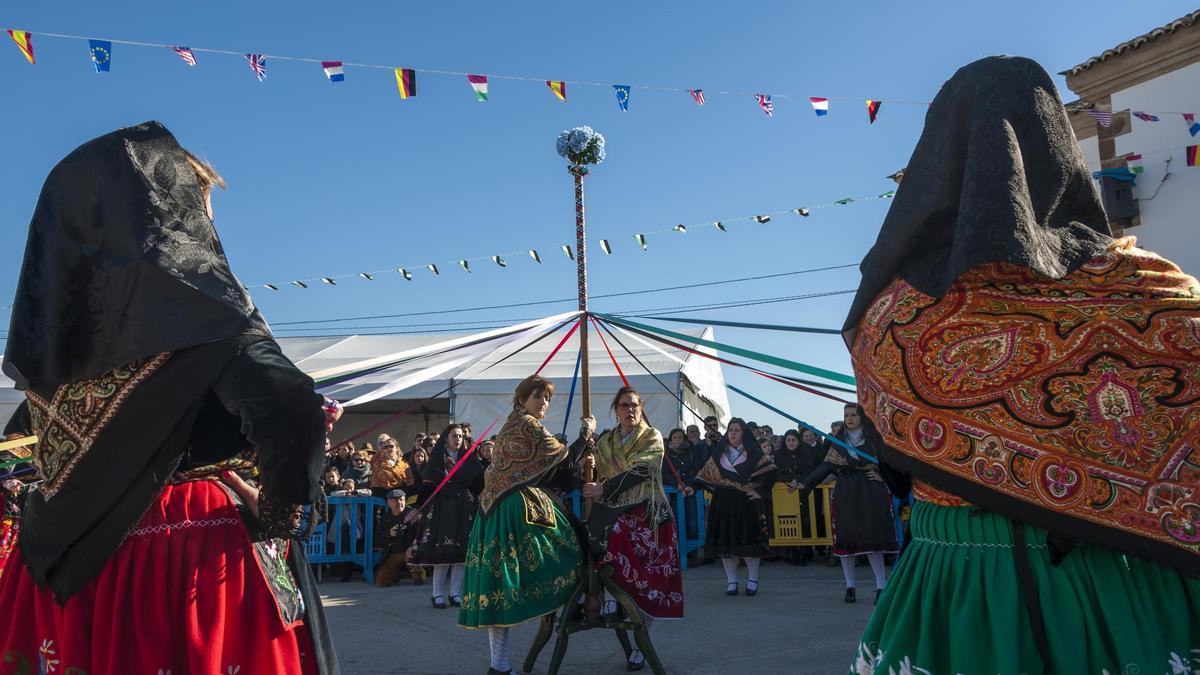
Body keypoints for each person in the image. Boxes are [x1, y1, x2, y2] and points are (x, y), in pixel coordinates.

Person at [844, 56, 1200, 674]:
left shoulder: (893, 315)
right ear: (1057, 148)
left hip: (954, 588)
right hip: (1126, 581)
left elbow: (896, 459)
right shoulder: (1147, 290)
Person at [0, 122, 339, 672]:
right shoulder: (206, 313)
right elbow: (290, 410)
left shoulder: (58, 339)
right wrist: (281, 514)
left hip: (57, 555)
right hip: (177, 555)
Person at [458, 375, 584, 675]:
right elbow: (560, 456)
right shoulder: (528, 424)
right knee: (571, 548)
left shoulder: (508, 427)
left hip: (492, 511)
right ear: (522, 400)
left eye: (547, 398)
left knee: (499, 582)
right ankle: (576, 601)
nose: (544, 403)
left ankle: (498, 665)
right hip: (513, 509)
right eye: (538, 397)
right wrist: (586, 435)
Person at [581, 386, 684, 671]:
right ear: (615, 409)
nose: (631, 410)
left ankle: (642, 642)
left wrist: (604, 486)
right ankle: (601, 596)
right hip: (613, 511)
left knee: (648, 580)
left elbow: (643, 470)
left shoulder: (651, 436)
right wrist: (585, 450)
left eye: (635, 405)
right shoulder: (605, 442)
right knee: (589, 540)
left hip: (647, 513)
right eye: (625, 405)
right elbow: (593, 472)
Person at [794, 403, 896, 603]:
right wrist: (805, 483)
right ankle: (850, 586)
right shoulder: (839, 442)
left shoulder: (875, 438)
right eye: (846, 415)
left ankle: (881, 587)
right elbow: (825, 467)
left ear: (861, 417)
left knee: (872, 539)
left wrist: (883, 476)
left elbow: (890, 461)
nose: (849, 418)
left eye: (853, 415)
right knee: (846, 539)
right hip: (846, 489)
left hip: (870, 489)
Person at [695, 418, 777, 595]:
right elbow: (704, 474)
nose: (732, 433)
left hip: (746, 501)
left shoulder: (754, 452)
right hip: (723, 501)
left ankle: (752, 578)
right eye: (730, 429)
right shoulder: (719, 452)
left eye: (737, 430)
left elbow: (770, 474)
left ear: (744, 433)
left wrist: (760, 493)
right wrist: (688, 487)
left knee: (748, 542)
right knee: (727, 544)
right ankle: (731, 581)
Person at [408, 423, 484, 609]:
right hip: (442, 510)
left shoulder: (469, 460)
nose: (458, 439)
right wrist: (417, 508)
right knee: (442, 553)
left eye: (460, 436)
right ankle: (436, 594)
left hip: (465, 510)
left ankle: (455, 593)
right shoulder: (436, 460)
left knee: (462, 553)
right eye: (454, 436)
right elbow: (428, 486)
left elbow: (478, 485)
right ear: (446, 438)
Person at [775, 429, 817, 565]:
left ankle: (805, 552)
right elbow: (776, 472)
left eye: (793, 440)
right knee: (789, 521)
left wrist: (798, 480)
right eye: (788, 440)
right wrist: (789, 480)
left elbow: (810, 471)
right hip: (786, 493)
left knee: (805, 520)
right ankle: (792, 552)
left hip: (803, 491)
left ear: (798, 441)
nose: (791, 443)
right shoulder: (779, 455)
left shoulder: (806, 453)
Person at [375, 489, 424, 587]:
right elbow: (377, 539)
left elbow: (422, 534)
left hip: (409, 550)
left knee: (412, 554)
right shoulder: (385, 518)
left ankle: (418, 576)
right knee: (381, 582)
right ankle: (396, 574)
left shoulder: (413, 514)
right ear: (388, 503)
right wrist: (389, 534)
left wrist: (413, 546)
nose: (399, 503)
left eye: (401, 500)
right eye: (394, 501)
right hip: (393, 553)